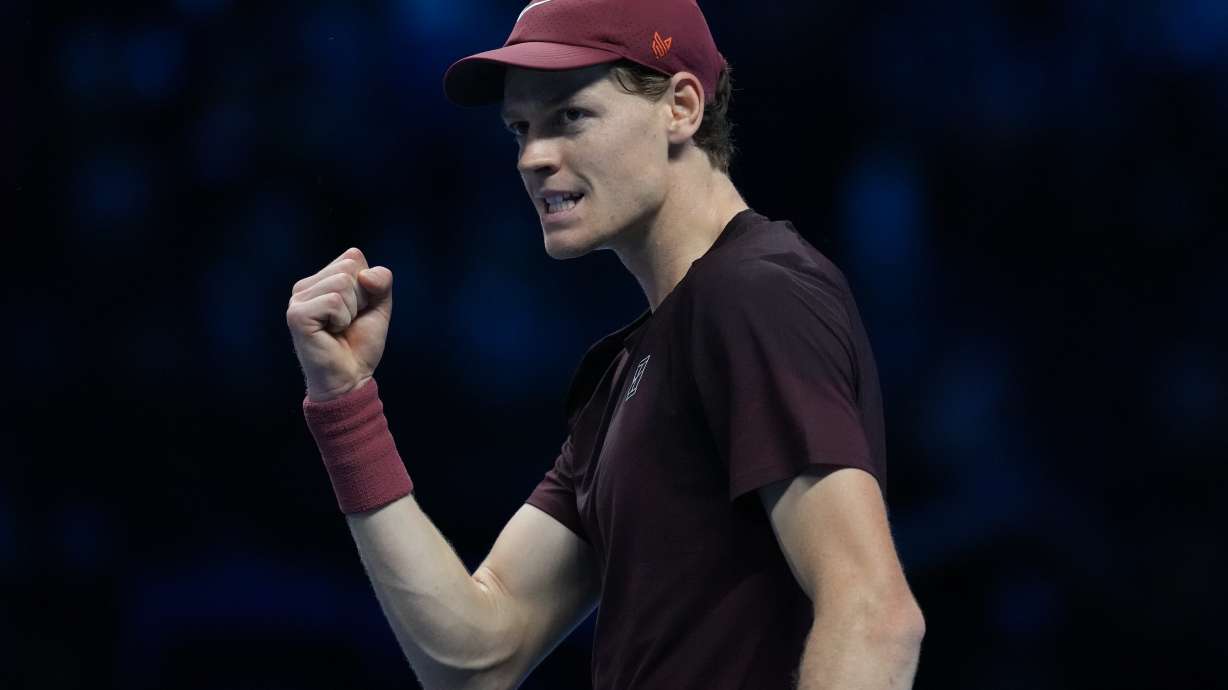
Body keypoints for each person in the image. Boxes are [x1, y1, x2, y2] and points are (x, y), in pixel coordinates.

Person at [286, 1, 925, 688]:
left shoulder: (751, 293)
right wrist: (346, 403)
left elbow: (874, 615)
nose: (533, 157)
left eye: (570, 117)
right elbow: (476, 655)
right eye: (520, 130)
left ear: (681, 107)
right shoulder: (634, 366)